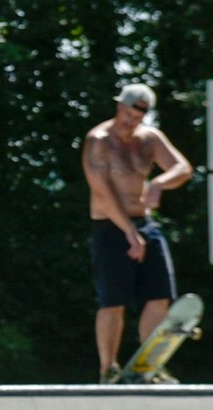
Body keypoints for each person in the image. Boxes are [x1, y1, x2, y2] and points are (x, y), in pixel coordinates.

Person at [82, 83, 193, 381]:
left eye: (138, 117)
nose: (131, 121)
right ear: (119, 107)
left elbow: (183, 168)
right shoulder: (98, 140)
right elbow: (102, 192)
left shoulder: (149, 138)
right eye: (128, 114)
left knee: (160, 296)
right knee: (113, 302)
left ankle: (149, 364)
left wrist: (159, 183)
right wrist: (129, 233)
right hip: (110, 226)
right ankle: (108, 368)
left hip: (145, 224)